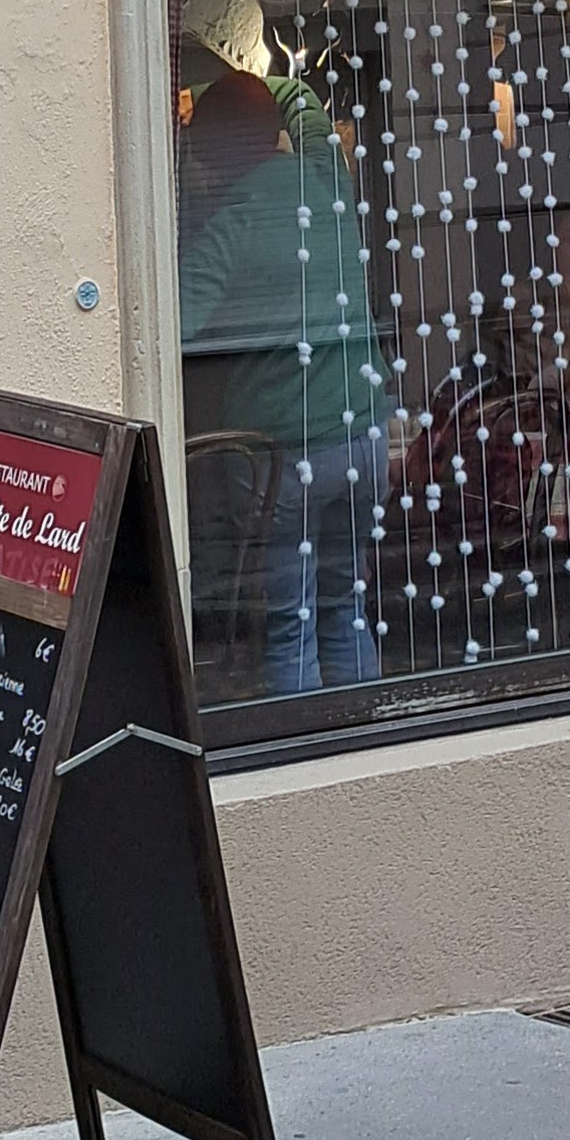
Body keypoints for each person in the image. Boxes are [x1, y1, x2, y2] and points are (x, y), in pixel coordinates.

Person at [175, 70, 394, 695]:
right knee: (347, 609)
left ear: (213, 155)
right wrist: (247, 82)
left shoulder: (229, 229)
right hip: (363, 437)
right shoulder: (326, 181)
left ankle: (308, 744)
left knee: (288, 629)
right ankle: (362, 737)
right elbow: (306, 105)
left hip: (284, 459)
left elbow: (170, 334)